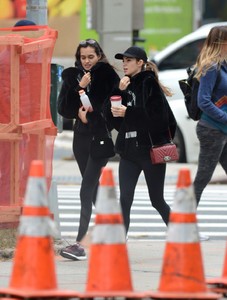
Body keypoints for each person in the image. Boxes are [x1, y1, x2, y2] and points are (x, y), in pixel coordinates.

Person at [57, 39, 120, 260]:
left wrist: (90, 115)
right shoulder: (72, 75)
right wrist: (78, 94)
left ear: (99, 56)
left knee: (86, 190)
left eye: (91, 57)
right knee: (93, 189)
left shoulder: (108, 76)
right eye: (83, 57)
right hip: (80, 140)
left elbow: (113, 106)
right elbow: (62, 107)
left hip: (99, 139)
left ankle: (80, 244)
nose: (86, 61)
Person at [105, 46, 177, 236]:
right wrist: (117, 91)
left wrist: (128, 112)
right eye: (123, 61)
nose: (124, 64)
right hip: (128, 153)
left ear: (140, 63)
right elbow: (111, 117)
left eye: (129, 60)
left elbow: (158, 118)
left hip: (150, 152)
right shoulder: (125, 84)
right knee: (125, 200)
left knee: (157, 200)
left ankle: (182, 234)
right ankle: (119, 243)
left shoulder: (149, 83)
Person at [193, 26, 227, 206]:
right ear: (221, 42)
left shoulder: (223, 65)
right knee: (202, 178)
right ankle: (182, 220)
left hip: (222, 129)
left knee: (202, 178)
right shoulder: (210, 66)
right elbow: (203, 101)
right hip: (212, 130)